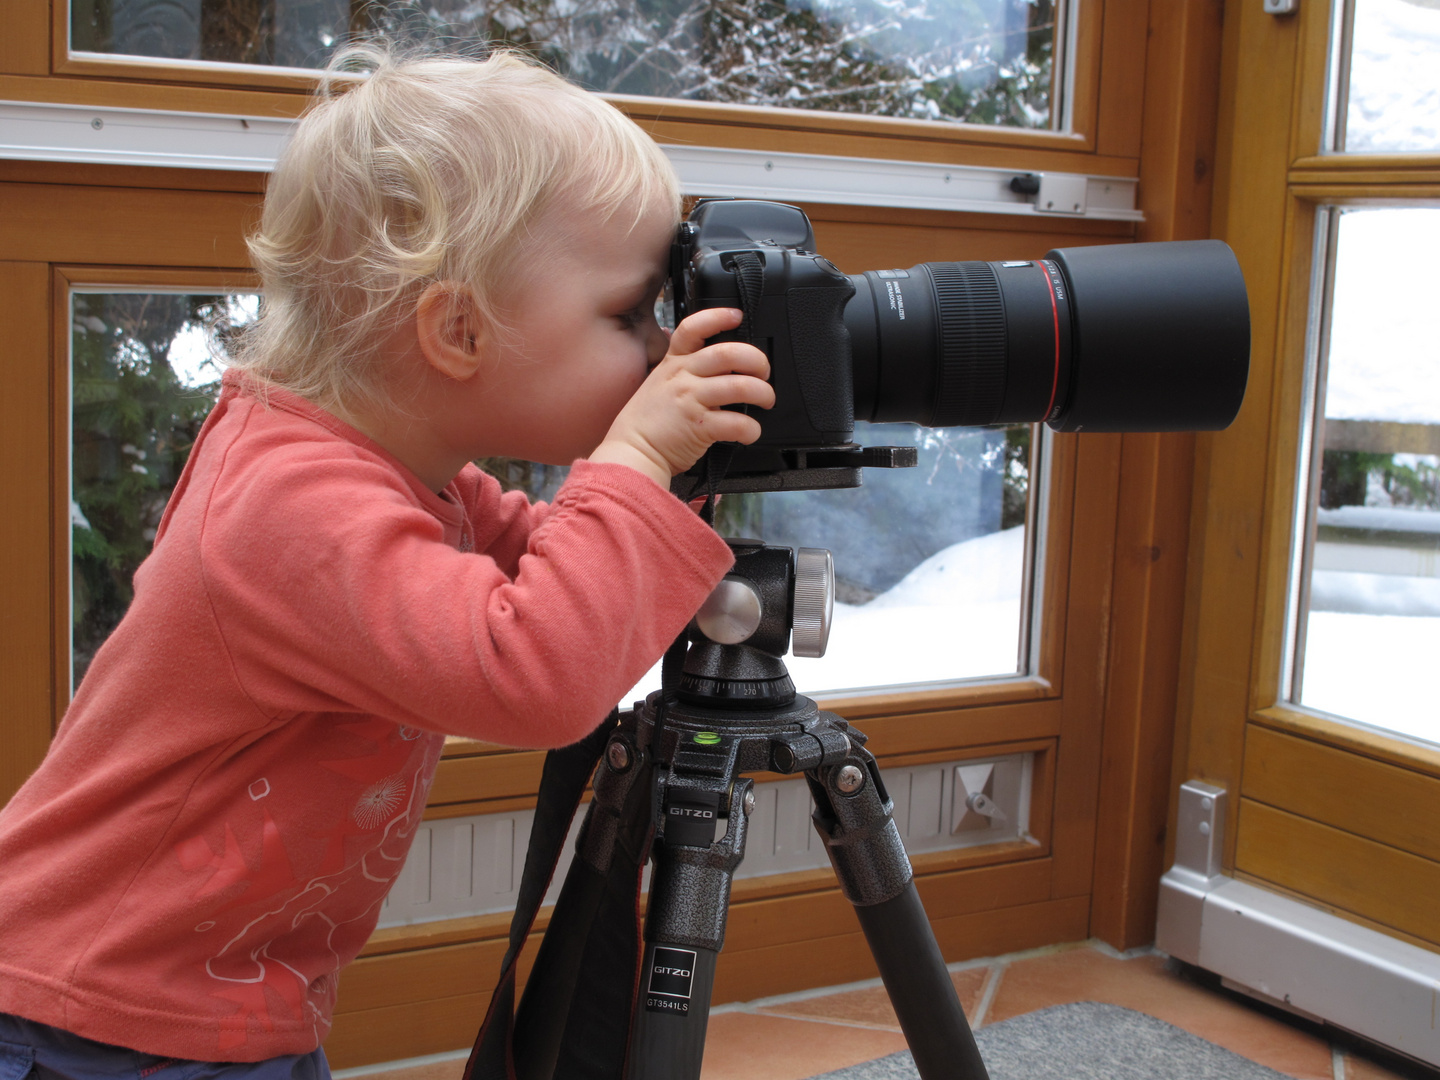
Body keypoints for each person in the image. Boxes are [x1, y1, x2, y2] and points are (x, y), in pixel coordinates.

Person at [0, 44, 774, 1079]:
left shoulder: (410, 478)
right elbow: (537, 672)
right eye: (630, 315)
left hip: (212, 999)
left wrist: (674, 467)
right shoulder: (293, 507)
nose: (652, 349)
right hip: (93, 1017)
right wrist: (634, 456)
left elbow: (568, 575)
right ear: (458, 329)